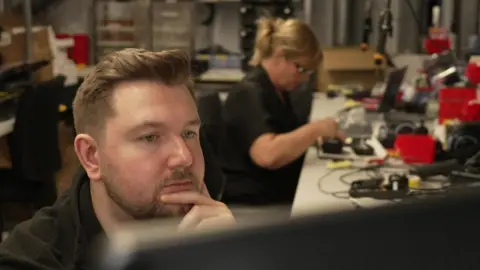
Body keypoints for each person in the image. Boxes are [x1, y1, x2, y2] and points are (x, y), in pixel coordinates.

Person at [0, 49, 235, 269]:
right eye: (150, 137)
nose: (184, 157)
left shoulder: (211, 229)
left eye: (189, 133)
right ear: (91, 157)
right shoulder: (32, 259)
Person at [221, 17, 344, 206]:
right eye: (301, 68)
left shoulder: (277, 91)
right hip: (258, 202)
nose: (303, 78)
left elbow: (284, 136)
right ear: (280, 55)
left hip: (276, 191)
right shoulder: (248, 92)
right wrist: (315, 130)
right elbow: (267, 155)